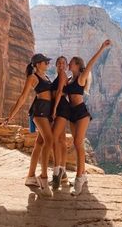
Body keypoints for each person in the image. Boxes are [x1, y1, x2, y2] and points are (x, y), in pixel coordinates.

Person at [3, 53, 53, 196]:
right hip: (39, 112)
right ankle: (43, 178)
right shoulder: (33, 78)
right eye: (45, 62)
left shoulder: (47, 77)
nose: (47, 64)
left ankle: (30, 177)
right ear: (37, 64)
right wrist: (10, 116)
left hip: (47, 112)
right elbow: (23, 97)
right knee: (49, 140)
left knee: (40, 143)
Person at [67, 39, 112, 195]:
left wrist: (101, 47)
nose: (69, 64)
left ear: (78, 65)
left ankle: (79, 179)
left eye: (71, 62)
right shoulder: (69, 80)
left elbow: (91, 63)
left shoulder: (81, 78)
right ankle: (83, 174)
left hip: (81, 113)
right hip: (71, 114)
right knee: (76, 143)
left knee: (78, 143)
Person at [50, 56, 71, 189]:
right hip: (62, 107)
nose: (61, 65)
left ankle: (56, 172)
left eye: (63, 63)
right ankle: (63, 172)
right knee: (62, 140)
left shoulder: (62, 74)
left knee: (53, 138)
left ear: (66, 65)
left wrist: (54, 108)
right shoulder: (60, 75)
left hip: (61, 108)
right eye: (59, 63)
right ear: (56, 65)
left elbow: (58, 92)